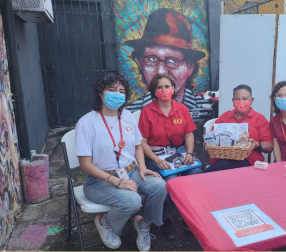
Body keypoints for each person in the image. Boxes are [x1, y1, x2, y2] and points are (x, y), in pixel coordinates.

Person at [75, 73, 167, 251]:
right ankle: (105, 222)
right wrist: (118, 182)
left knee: (160, 187)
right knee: (132, 201)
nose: (117, 94)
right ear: (101, 93)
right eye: (111, 90)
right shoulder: (86, 123)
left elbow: (138, 145)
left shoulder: (128, 116)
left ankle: (143, 224)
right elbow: (85, 165)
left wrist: (142, 167)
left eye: (121, 91)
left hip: (131, 171)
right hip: (100, 180)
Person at [139, 73, 201, 240]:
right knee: (170, 182)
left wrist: (189, 153)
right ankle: (165, 218)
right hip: (155, 155)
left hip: (179, 152)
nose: (164, 90)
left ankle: (190, 215)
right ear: (154, 90)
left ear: (173, 89)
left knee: (196, 175)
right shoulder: (146, 111)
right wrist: (157, 160)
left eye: (167, 86)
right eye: (159, 87)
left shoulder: (182, 109)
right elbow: (142, 143)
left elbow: (189, 135)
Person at [125, 8, 209, 119]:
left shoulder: (205, 110)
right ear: (140, 63)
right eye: (151, 59)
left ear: (190, 66)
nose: (161, 71)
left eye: (173, 61)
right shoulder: (130, 114)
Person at [205, 84, 273, 172]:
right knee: (224, 163)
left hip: (249, 162)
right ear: (233, 101)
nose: (241, 102)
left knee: (224, 165)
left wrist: (257, 144)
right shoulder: (225, 116)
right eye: (237, 99)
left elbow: (269, 146)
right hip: (222, 158)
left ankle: (200, 179)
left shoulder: (260, 119)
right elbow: (213, 136)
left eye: (244, 98)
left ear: (251, 100)